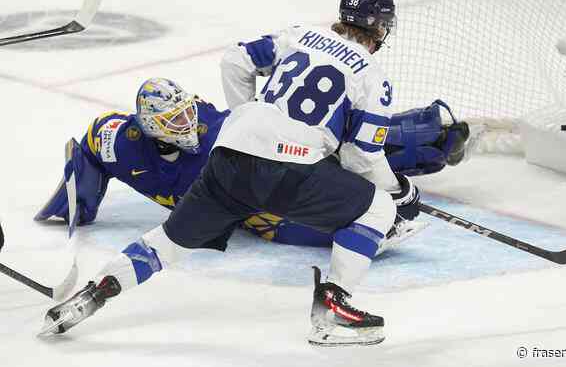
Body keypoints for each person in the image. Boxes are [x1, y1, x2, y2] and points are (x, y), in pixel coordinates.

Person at [40, 0, 470, 346]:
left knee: (165, 244)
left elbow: (235, 59)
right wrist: (399, 192)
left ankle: (93, 294)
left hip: (228, 158)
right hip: (291, 172)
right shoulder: (373, 76)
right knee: (377, 208)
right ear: (381, 28)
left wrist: (249, 119)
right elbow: (362, 156)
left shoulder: (299, 35)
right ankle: (332, 309)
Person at [35, 79, 468, 254]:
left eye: (187, 112)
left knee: (339, 158)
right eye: (172, 121)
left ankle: (426, 133)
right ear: (149, 127)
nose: (186, 123)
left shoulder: (215, 131)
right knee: (263, 221)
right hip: (237, 207)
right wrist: (77, 204)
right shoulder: (119, 140)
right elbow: (88, 147)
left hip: (271, 161)